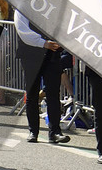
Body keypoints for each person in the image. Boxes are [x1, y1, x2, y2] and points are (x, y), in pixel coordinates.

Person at [14, 10, 72, 145]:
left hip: (51, 55)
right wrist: (43, 43)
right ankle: (33, 131)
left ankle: (55, 132)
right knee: (32, 94)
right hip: (30, 55)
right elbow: (23, 31)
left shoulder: (49, 3)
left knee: (53, 93)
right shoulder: (21, 6)